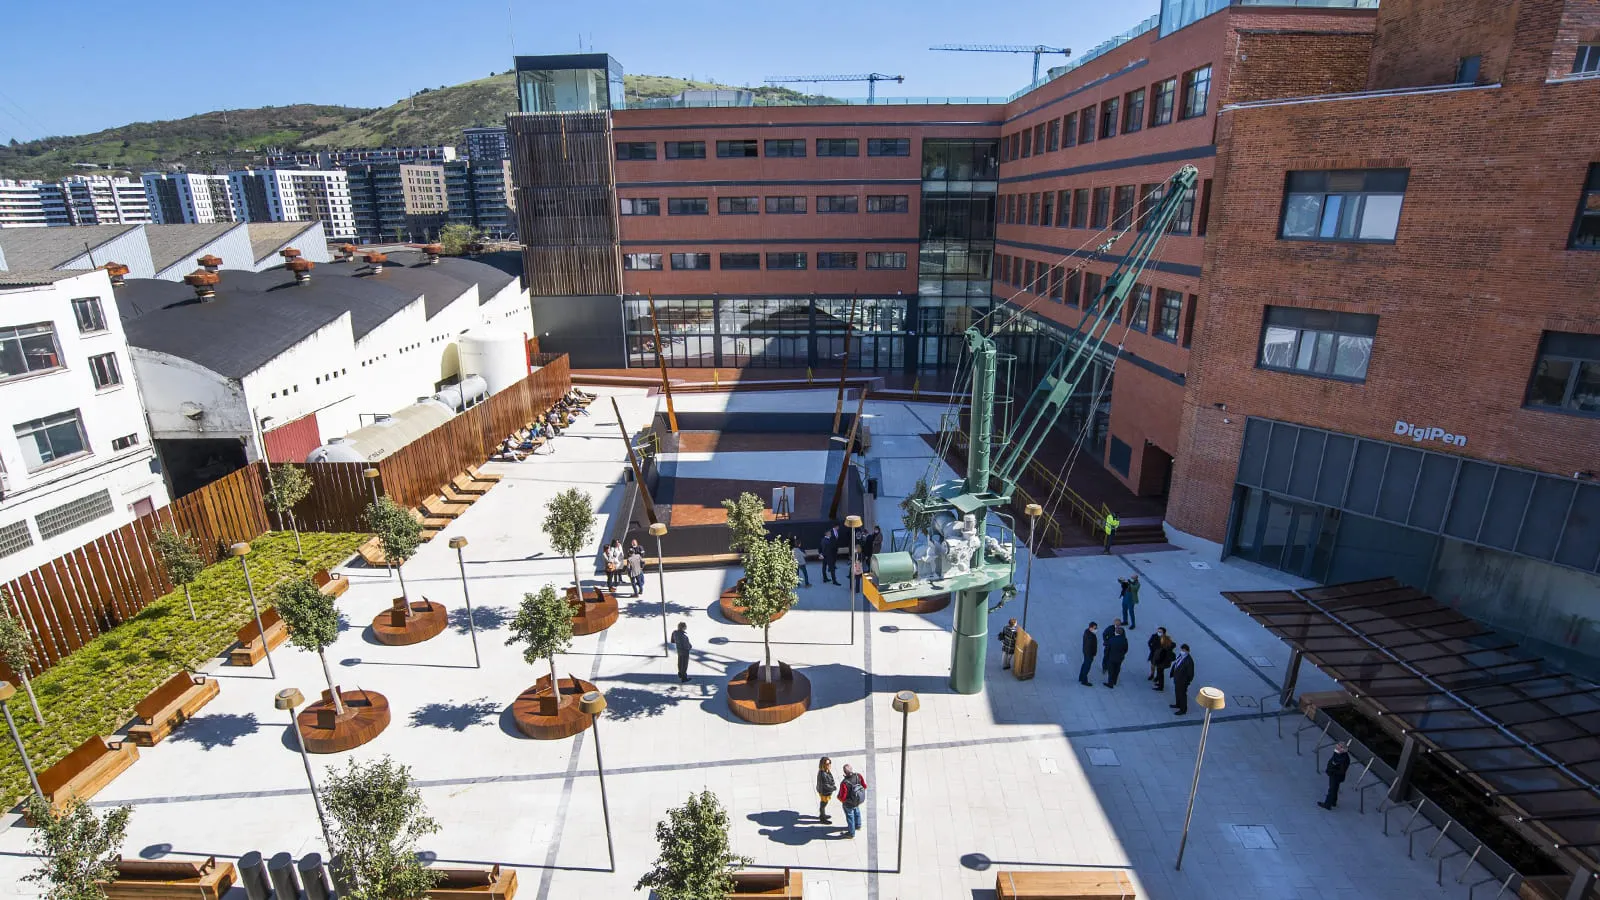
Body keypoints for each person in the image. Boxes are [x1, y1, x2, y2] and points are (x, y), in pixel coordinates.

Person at [838, 764, 868, 838]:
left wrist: (840, 799)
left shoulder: (844, 783)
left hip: (849, 803)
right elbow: (864, 786)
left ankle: (851, 833)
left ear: (844, 772)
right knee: (857, 811)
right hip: (858, 800)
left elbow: (843, 797)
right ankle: (858, 825)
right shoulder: (858, 776)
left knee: (850, 816)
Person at [1319, 742, 1351, 810]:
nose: (1337, 748)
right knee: (1335, 788)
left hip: (1336, 776)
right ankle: (1333, 802)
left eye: (1339, 747)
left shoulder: (1344, 759)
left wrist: (1332, 771)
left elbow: (1341, 770)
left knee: (1332, 789)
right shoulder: (1338, 754)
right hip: (1334, 774)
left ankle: (1327, 804)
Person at [1103, 622, 1129, 688]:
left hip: (1111, 657)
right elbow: (1126, 649)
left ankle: (1110, 683)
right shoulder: (1124, 640)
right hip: (1120, 658)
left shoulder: (1111, 640)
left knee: (1111, 670)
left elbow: (1108, 649)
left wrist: (1106, 656)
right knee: (1117, 669)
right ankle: (1114, 681)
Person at [1170, 643, 1195, 714]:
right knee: (1177, 692)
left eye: (1184, 650)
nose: (1182, 651)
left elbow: (1191, 674)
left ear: (1187, 651)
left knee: (1182, 695)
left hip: (1182, 682)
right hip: (1177, 679)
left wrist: (1187, 682)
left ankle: (1183, 709)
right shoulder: (1180, 656)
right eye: (1181, 650)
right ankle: (1178, 704)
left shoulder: (1189, 661)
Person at [815, 757, 836, 824]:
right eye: (827, 764)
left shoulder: (826, 770)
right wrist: (833, 788)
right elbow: (826, 785)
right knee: (823, 805)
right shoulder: (823, 774)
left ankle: (823, 815)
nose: (829, 765)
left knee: (823, 804)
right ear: (823, 765)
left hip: (824, 791)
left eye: (830, 763)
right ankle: (822, 818)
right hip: (824, 792)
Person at [1079, 621, 1098, 686]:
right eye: (1094, 628)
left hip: (1086, 652)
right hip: (1089, 654)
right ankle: (1084, 680)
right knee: (1087, 667)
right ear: (1090, 628)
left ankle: (1081, 677)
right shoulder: (1090, 636)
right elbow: (1089, 646)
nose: (1096, 629)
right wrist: (1092, 654)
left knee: (1084, 664)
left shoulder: (1087, 632)